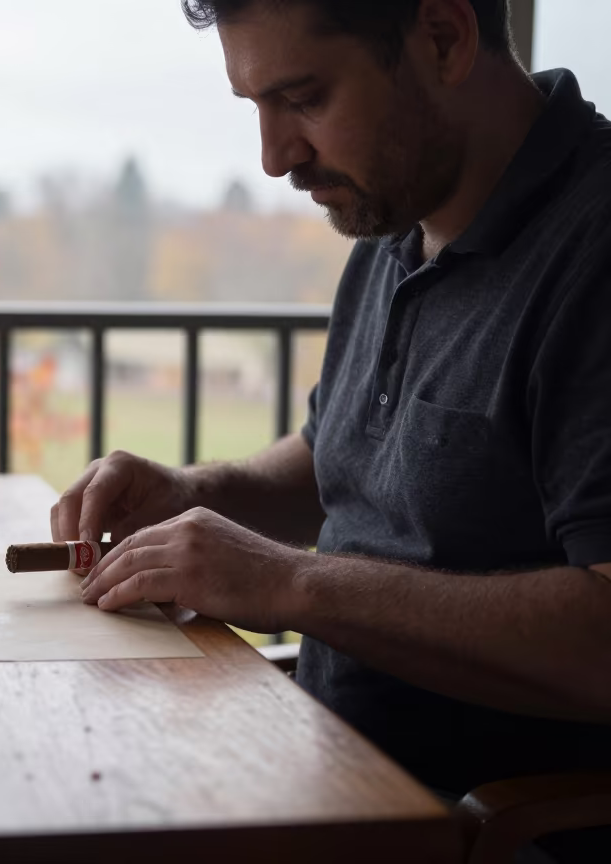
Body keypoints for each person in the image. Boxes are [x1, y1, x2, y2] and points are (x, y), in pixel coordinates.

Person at [53, 1, 611, 860]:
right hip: (313, 769)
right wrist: (191, 493)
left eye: (304, 99)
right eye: (257, 109)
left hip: (479, 829)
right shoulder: (394, 221)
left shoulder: (594, 248)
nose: (275, 158)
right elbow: (336, 466)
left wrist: (288, 585)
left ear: (443, 37)